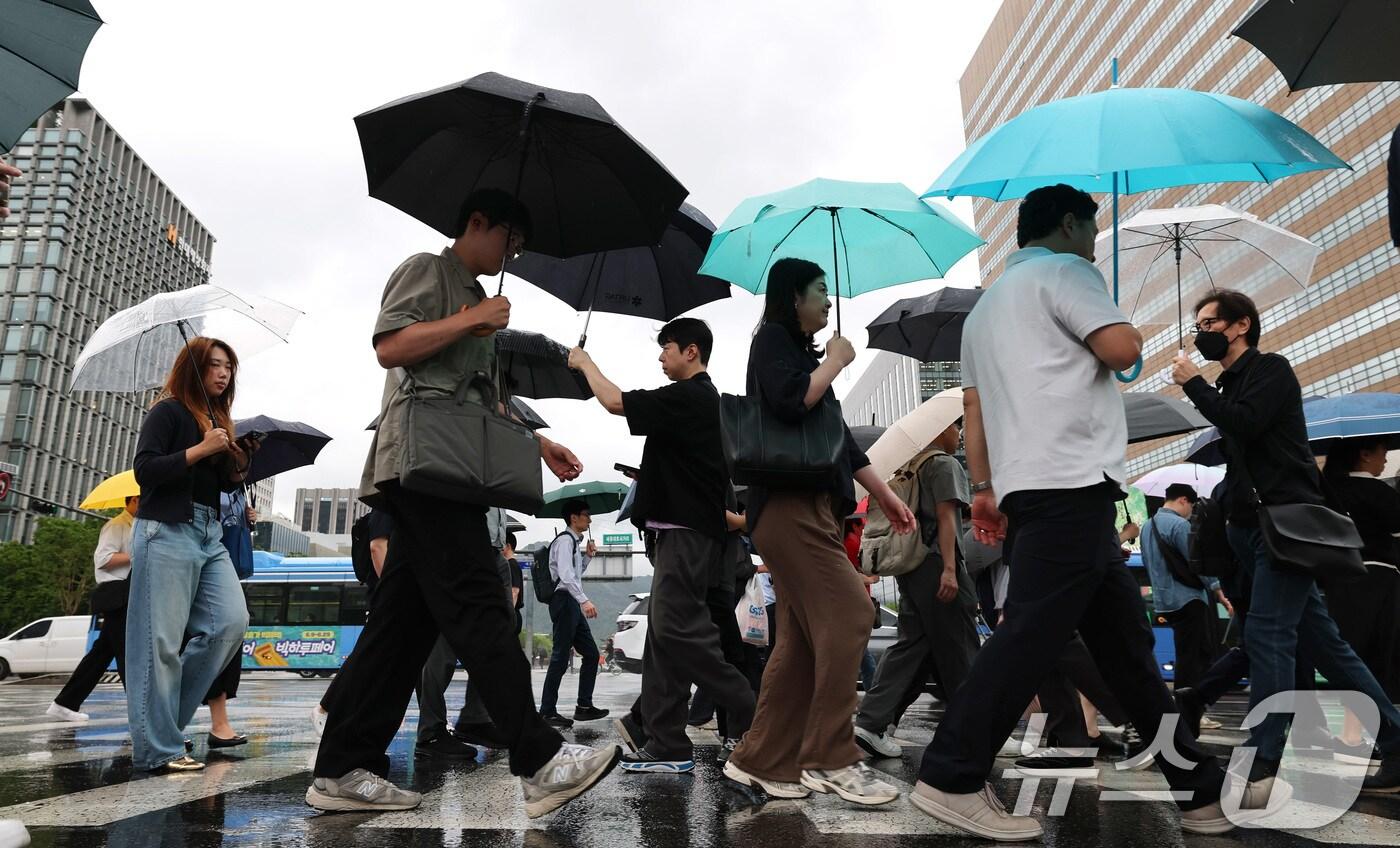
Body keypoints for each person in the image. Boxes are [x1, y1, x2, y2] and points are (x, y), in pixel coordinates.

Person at [912, 185, 1248, 840]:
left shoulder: (982, 315)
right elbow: (1121, 351)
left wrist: (983, 488)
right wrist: (1132, 330)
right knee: (1032, 633)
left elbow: (974, 411)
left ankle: (1197, 789)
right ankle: (949, 773)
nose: (1096, 241)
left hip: (1030, 485)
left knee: (1125, 653)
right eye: (1092, 228)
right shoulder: (1070, 272)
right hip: (1073, 478)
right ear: (1069, 224)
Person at [309, 190, 617, 818]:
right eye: (511, 240)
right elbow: (390, 347)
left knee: (401, 628)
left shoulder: (476, 299)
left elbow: (475, 396)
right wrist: (471, 321)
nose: (513, 253)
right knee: (482, 606)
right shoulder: (429, 269)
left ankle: (341, 764)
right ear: (478, 223)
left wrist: (540, 441)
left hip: (447, 468)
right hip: (422, 467)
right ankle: (539, 760)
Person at [1173, 289, 1400, 794]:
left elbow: (1246, 424)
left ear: (1241, 326)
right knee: (1327, 646)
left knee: (1270, 637)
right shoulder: (1229, 383)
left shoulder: (1271, 370)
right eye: (1199, 323)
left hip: (1284, 527)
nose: (1202, 332)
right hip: (1254, 531)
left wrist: (1194, 385)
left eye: (1211, 323)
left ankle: (1263, 755)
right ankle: (1396, 741)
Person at [722, 257, 914, 807]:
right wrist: (833, 363)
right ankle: (831, 758)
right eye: (820, 292)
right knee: (854, 611)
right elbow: (788, 402)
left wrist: (885, 494)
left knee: (802, 642)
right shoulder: (773, 341)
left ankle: (760, 761)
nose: (828, 303)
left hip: (812, 510)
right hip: (786, 508)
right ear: (794, 297)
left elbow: (842, 444)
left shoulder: (801, 356)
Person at [570, 317, 755, 774]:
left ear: (691, 351)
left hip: (685, 536)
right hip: (685, 534)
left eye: (666, 349)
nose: (661, 357)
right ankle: (664, 739)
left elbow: (615, 402)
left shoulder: (691, 396)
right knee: (661, 641)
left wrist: (585, 362)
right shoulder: (699, 403)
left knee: (677, 633)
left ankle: (756, 711)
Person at [127, 337, 253, 774]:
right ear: (193, 368)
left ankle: (159, 729)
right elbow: (144, 471)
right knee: (158, 641)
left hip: (208, 532)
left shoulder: (218, 419)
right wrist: (202, 449)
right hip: (165, 529)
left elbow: (222, 485)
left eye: (229, 367)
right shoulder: (168, 411)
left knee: (229, 623)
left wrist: (237, 460)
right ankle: (156, 748)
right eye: (215, 365)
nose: (224, 374)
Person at [855, 418, 980, 759]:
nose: (959, 435)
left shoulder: (908, 468)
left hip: (911, 566)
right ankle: (979, 729)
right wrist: (952, 571)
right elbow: (947, 520)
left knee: (913, 646)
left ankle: (872, 722)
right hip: (939, 565)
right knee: (962, 646)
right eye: (956, 428)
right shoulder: (943, 464)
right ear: (938, 430)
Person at [1321, 435, 1400, 762]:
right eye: (1382, 452)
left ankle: (1351, 736)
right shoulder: (1379, 492)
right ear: (1364, 455)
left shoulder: (1327, 492)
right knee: (1382, 657)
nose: (1385, 459)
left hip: (1340, 580)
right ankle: (1367, 737)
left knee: (1354, 656)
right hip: (1379, 579)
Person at [49, 495, 140, 722]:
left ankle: (64, 702)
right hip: (115, 594)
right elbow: (103, 559)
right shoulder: (117, 525)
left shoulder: (136, 525)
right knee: (128, 652)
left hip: (127, 592)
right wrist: (135, 555)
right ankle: (142, 712)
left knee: (102, 654)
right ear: (135, 500)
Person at [1140, 484, 1231, 694]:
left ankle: (1190, 706)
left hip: (1164, 601)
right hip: (1188, 599)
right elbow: (1197, 563)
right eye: (1191, 507)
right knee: (1193, 656)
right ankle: (1189, 708)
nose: (1190, 513)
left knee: (1189, 652)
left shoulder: (1147, 526)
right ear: (1183, 500)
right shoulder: (1179, 525)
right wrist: (1219, 591)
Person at [313, 507, 392, 737]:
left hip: (388, 593)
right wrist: (392, 589)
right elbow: (377, 546)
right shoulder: (384, 507)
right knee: (366, 656)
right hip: (386, 595)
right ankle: (325, 709)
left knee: (376, 658)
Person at [538, 500, 609, 729]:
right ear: (573, 518)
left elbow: (574, 574)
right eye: (586, 515)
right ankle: (547, 712)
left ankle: (584, 707)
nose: (589, 519)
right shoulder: (564, 542)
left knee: (590, 653)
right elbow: (567, 577)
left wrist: (587, 557)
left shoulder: (573, 543)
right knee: (560, 656)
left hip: (570, 602)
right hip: (564, 601)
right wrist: (584, 600)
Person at [199, 490, 256, 749]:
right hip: (198, 563)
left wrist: (248, 520)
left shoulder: (239, 489)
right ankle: (168, 726)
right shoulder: (205, 479)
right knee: (193, 643)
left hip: (227, 568)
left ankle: (219, 723)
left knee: (230, 638)